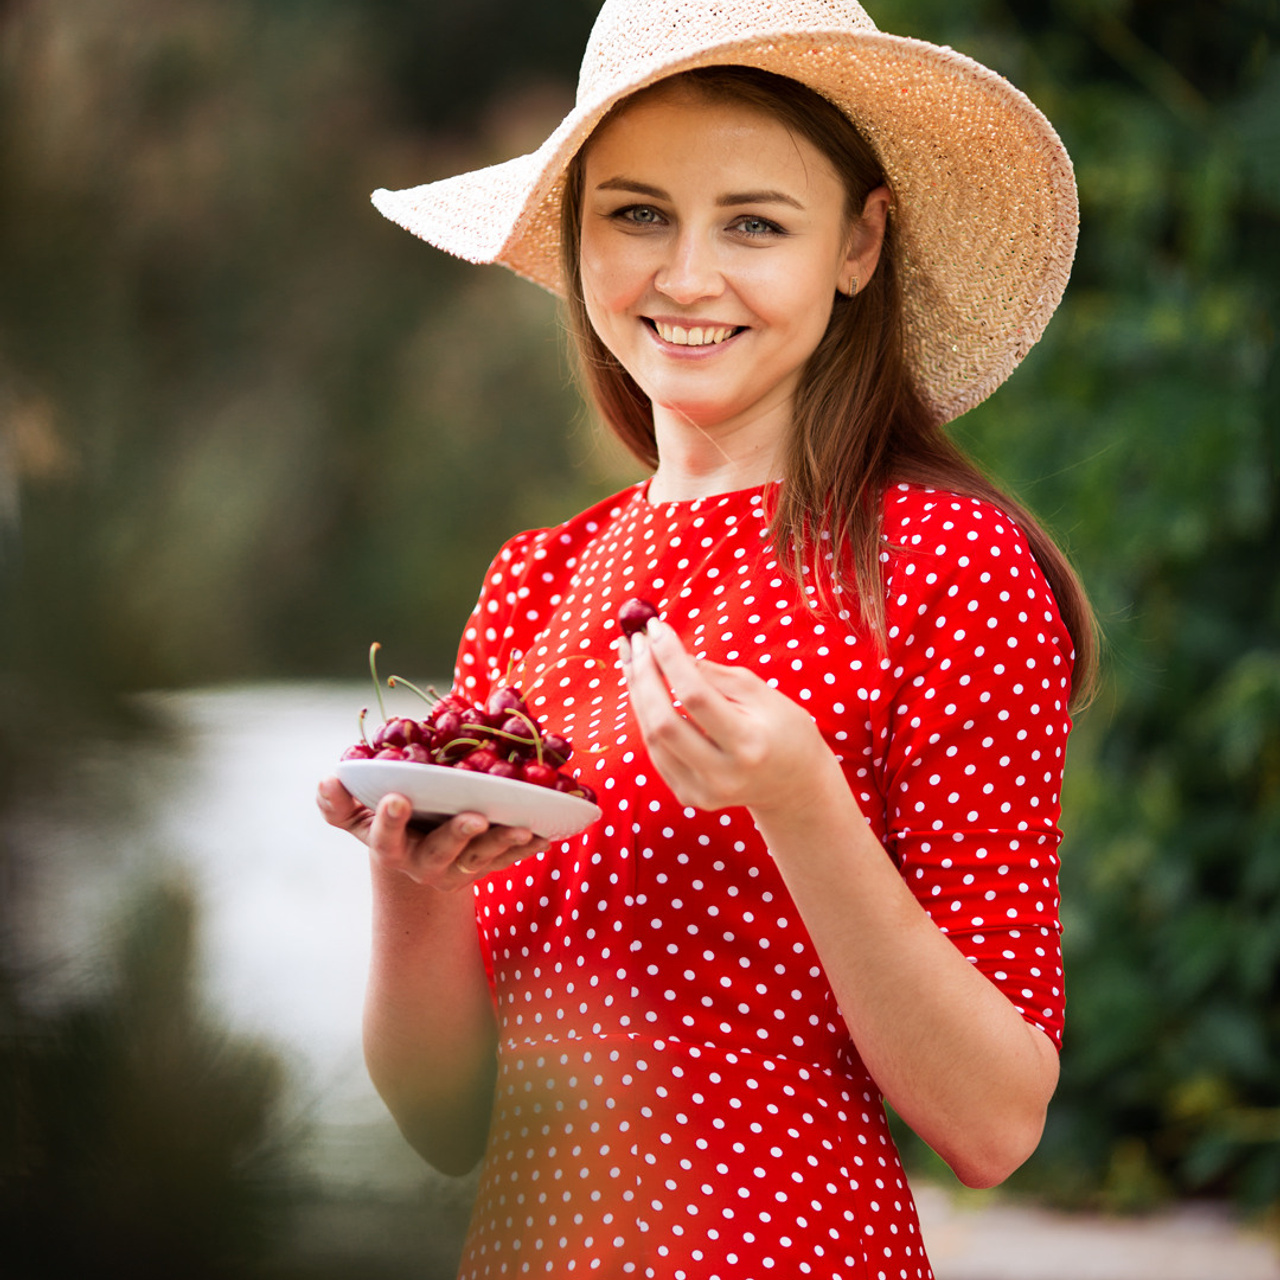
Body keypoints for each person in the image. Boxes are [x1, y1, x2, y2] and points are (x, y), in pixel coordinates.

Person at [317, 1, 1097, 1276]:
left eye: (753, 222)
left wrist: (800, 802)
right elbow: (445, 1123)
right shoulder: (538, 578)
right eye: (635, 213)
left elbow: (994, 1121)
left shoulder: (945, 566)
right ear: (575, 239)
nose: (684, 275)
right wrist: (410, 880)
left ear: (858, 241)